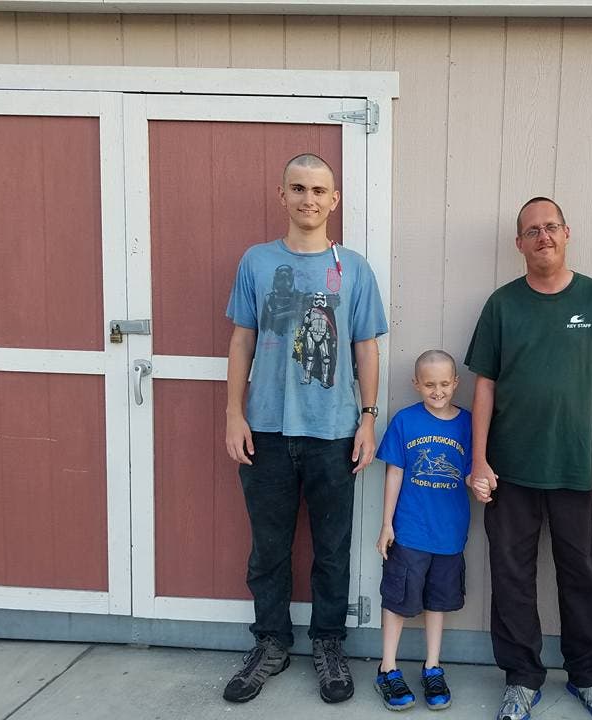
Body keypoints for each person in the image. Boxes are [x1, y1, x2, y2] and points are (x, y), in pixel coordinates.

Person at [222, 153, 387, 705]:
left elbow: (366, 346)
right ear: (282, 195)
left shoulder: (355, 268)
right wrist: (233, 413)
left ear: (334, 200)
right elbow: (242, 339)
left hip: (335, 431)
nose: (309, 200)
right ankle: (270, 642)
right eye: (298, 188)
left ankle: (329, 644)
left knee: (332, 548)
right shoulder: (257, 262)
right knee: (268, 548)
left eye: (319, 190)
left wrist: (368, 418)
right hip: (266, 430)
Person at [465, 197, 592, 720]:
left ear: (567, 233)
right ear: (519, 243)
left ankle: (588, 677)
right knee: (511, 573)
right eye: (532, 230)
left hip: (576, 467)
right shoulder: (502, 305)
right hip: (509, 470)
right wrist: (480, 460)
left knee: (582, 573)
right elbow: (484, 387)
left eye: (551, 227)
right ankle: (521, 678)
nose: (543, 237)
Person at [372, 350, 472, 711]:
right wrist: (386, 524)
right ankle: (388, 668)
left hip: (449, 533)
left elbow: (472, 473)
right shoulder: (405, 421)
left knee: (437, 602)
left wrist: (483, 486)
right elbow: (394, 472)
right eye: (429, 384)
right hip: (410, 531)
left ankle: (432, 666)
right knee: (398, 599)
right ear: (417, 384)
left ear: (455, 383)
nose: (438, 391)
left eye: (445, 384)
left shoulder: (468, 425)